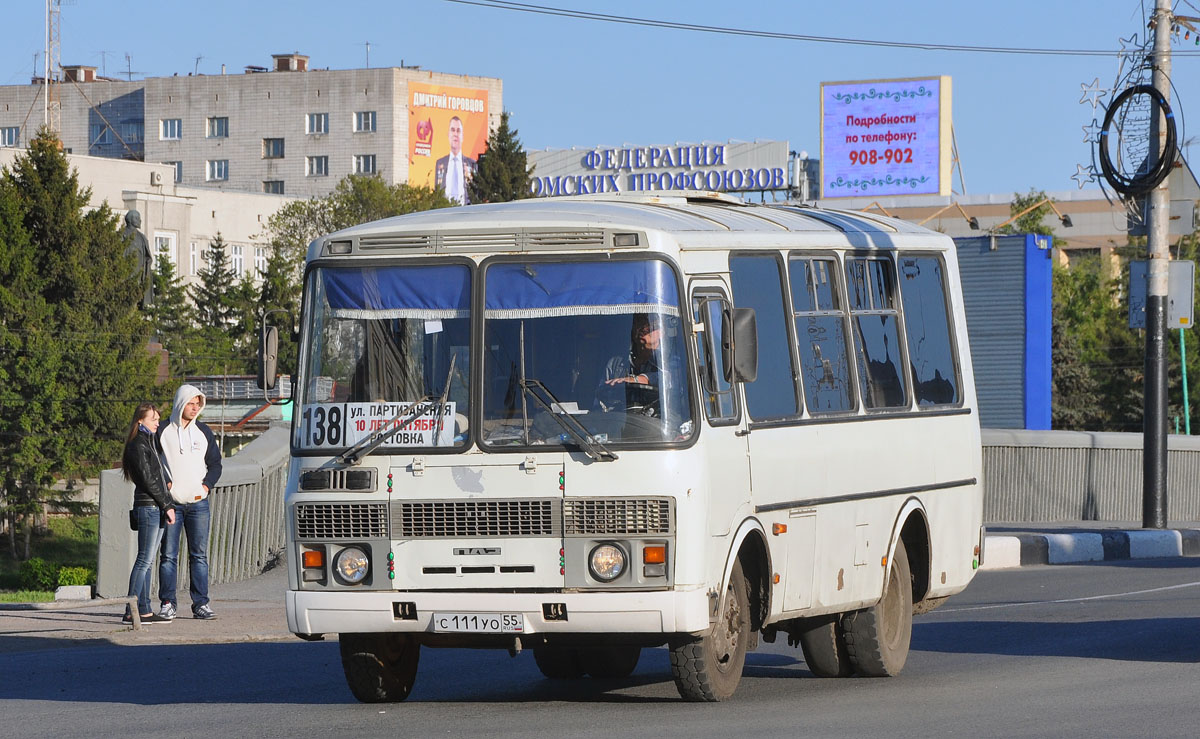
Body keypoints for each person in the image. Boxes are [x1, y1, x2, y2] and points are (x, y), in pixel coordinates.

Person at [157, 384, 223, 620]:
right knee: (168, 555)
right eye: (191, 403)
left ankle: (201, 604)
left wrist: (205, 487)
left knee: (199, 555)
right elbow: (152, 462)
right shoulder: (162, 430)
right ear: (180, 403)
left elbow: (216, 464)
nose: (195, 408)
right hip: (171, 505)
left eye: (198, 404)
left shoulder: (203, 432)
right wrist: (167, 485)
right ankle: (167, 603)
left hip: (198, 504)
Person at [121, 403, 176, 625]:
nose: (157, 422)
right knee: (144, 559)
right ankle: (130, 610)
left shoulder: (149, 442)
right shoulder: (138, 445)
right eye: (153, 418)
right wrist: (167, 505)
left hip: (155, 507)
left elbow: (157, 476)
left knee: (148, 560)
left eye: (158, 419)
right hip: (150, 507)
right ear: (140, 421)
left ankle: (143, 609)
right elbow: (148, 480)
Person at [434, 116, 477, 205]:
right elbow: (437, 191)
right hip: (445, 211)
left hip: (465, 212)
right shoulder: (440, 163)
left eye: (458, 131)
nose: (455, 134)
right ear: (448, 134)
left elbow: (475, 193)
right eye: (452, 130)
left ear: (463, 136)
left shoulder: (471, 164)